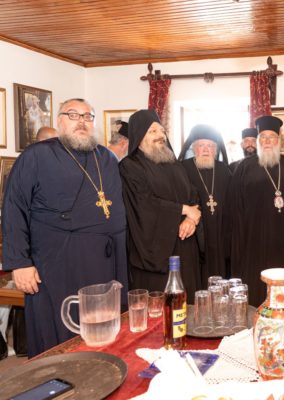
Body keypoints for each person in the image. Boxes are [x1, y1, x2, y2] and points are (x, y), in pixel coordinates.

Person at [1, 98, 128, 357]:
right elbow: (14, 207)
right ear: (59, 121)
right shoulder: (37, 156)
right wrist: (20, 262)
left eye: (87, 116)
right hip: (56, 263)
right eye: (73, 115)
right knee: (58, 332)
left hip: (102, 264)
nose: (81, 121)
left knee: (101, 334)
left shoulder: (106, 158)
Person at [119, 109, 203, 300]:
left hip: (185, 241)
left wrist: (191, 219)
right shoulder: (130, 166)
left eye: (162, 131)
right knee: (162, 306)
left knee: (187, 301)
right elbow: (143, 203)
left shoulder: (174, 163)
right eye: (152, 131)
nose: (160, 135)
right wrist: (184, 210)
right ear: (139, 136)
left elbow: (193, 194)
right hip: (156, 251)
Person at [229, 115, 284, 306]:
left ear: (279, 140)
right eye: (263, 137)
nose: (267, 141)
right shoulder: (244, 167)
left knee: (280, 283)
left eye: (272, 137)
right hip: (251, 239)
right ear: (258, 140)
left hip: (282, 239)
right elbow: (234, 207)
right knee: (254, 285)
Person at [180, 125, 232, 283]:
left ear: (215, 150)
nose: (206, 150)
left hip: (220, 230)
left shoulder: (224, 170)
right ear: (194, 148)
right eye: (201, 145)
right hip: (195, 232)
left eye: (210, 146)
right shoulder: (183, 168)